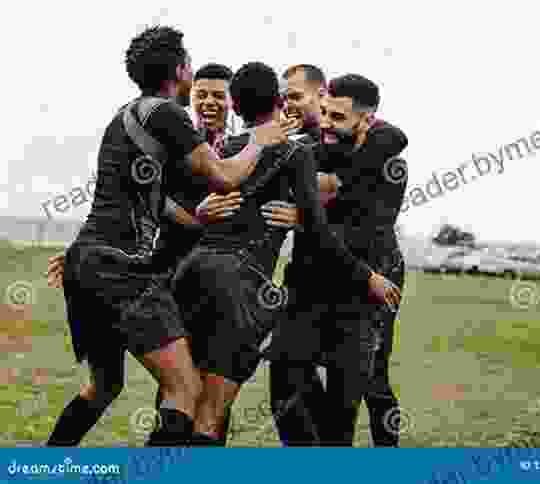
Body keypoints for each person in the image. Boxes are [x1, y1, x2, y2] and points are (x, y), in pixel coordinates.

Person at [45, 26, 287, 447]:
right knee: (187, 390)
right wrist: (260, 140)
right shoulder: (167, 115)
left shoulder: (128, 114)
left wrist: (197, 218)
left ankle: (44, 467)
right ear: (181, 70)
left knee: (105, 386)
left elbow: (147, 201)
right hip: (123, 269)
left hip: (93, 261)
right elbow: (227, 176)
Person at [172, 62, 400, 445]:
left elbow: (388, 145)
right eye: (287, 97)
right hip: (243, 281)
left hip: (195, 273)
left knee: (185, 395)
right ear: (278, 101)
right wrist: (312, 220)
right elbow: (321, 229)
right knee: (216, 408)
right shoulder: (296, 152)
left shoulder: (224, 148)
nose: (321, 118)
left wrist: (309, 209)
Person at [267, 73, 407, 446]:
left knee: (371, 384)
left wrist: (305, 218)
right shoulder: (317, 146)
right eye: (325, 113)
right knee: (289, 378)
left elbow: (364, 232)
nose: (327, 122)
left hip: (372, 278)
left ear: (367, 120)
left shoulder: (388, 159)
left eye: (338, 117)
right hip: (317, 281)